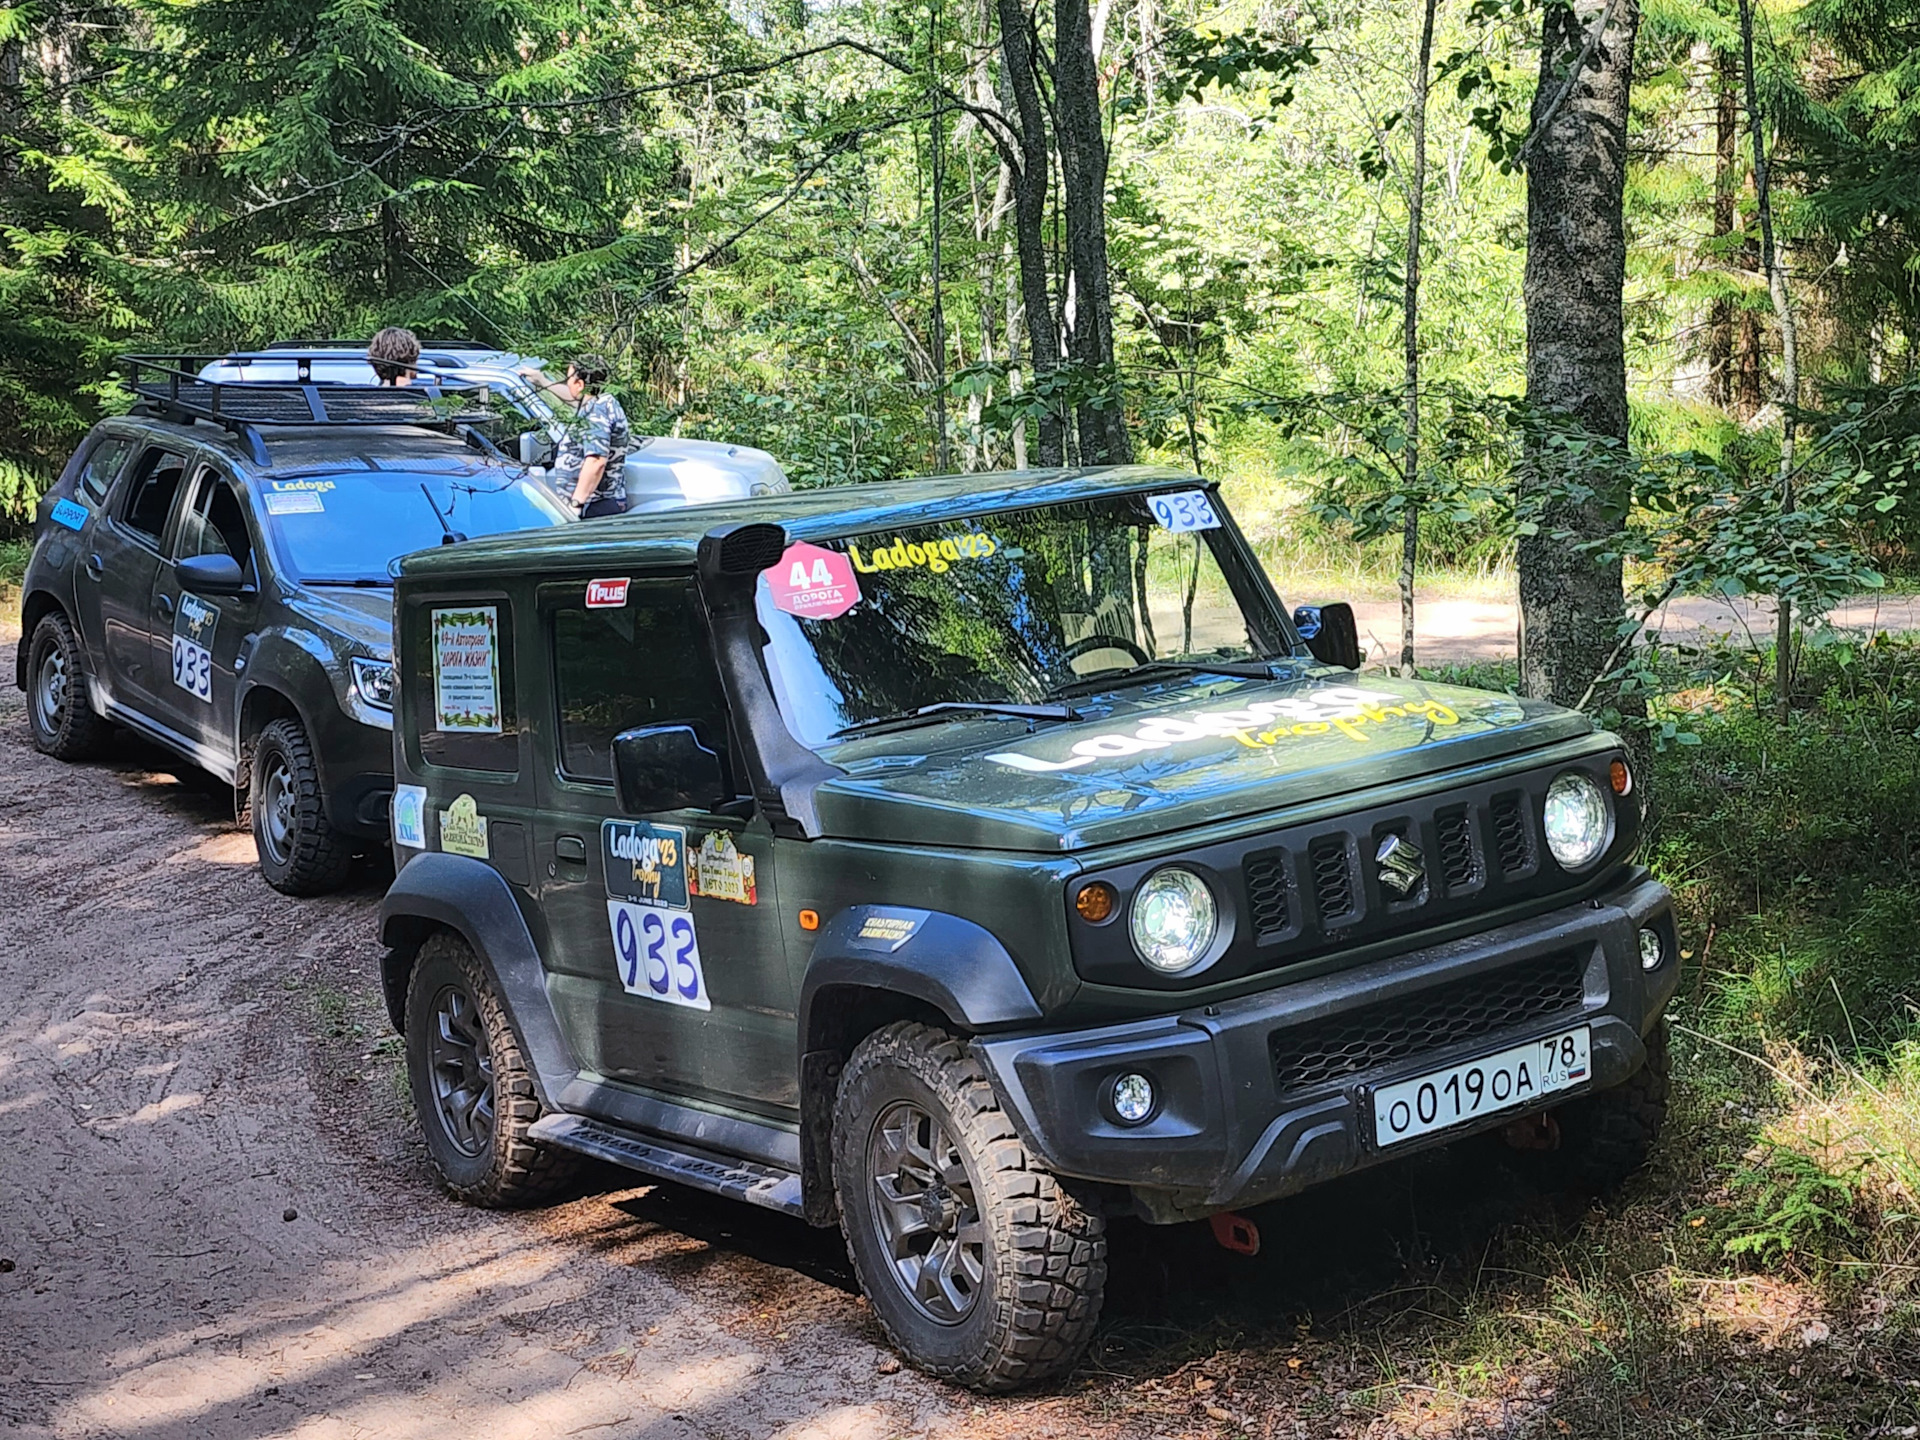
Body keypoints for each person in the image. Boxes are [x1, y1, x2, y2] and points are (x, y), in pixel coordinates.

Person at [526, 353, 630, 519]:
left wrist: (576, 505)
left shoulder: (596, 412)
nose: (567, 383)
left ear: (580, 384)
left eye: (569, 379)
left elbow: (596, 461)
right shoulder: (601, 401)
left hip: (594, 508)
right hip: (598, 504)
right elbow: (573, 397)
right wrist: (542, 381)